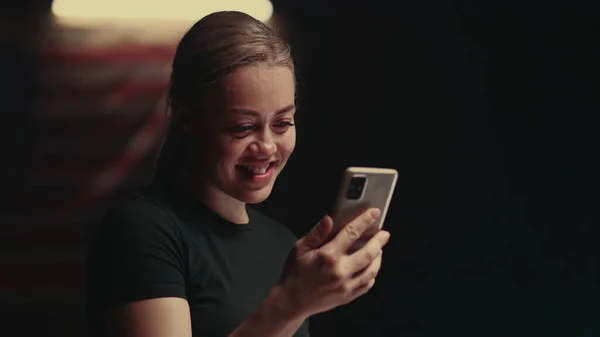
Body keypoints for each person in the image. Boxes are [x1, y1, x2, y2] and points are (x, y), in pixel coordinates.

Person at [85, 11, 391, 337]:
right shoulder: (143, 230)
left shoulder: (284, 245)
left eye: (282, 123)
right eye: (243, 127)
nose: (267, 147)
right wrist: (291, 303)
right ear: (188, 119)